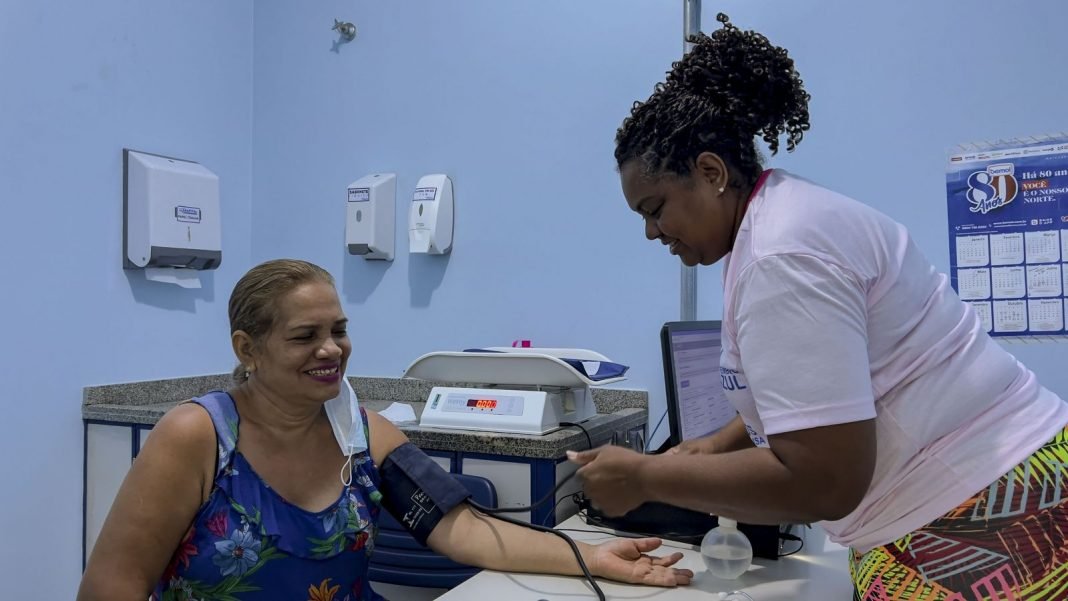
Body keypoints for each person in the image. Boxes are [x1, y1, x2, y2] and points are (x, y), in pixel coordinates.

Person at [569, 13, 1068, 600]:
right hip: (988, 491)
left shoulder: (781, 255)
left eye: (655, 209)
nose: (653, 232)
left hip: (982, 520)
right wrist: (717, 445)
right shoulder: (782, 219)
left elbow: (825, 482)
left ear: (710, 172)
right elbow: (826, 387)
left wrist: (647, 477)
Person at [78, 259, 692, 600]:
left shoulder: (359, 433)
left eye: (339, 330)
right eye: (304, 336)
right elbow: (113, 586)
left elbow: (463, 529)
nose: (331, 349)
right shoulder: (197, 436)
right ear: (248, 348)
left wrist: (596, 559)